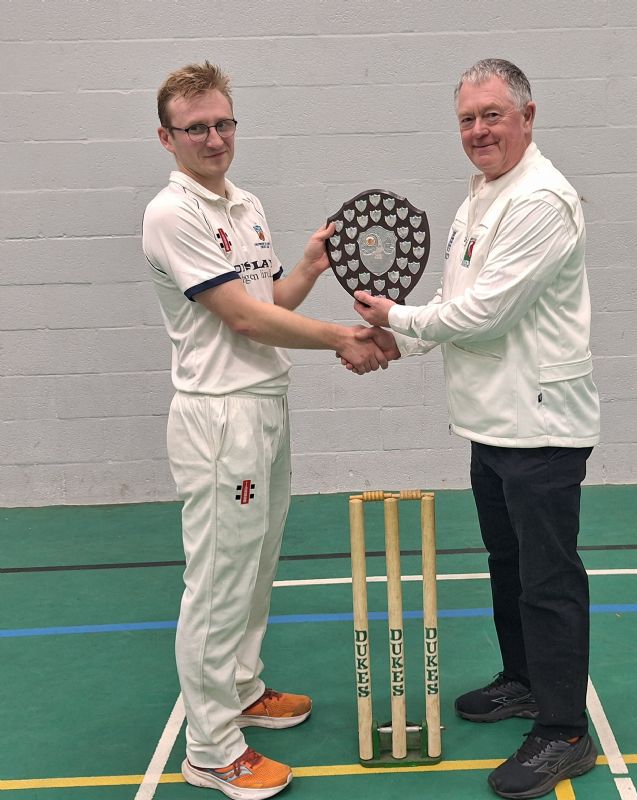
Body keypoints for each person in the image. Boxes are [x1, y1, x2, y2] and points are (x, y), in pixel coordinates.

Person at [352, 58, 601, 799]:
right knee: (508, 565)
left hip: (542, 428)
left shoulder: (540, 201)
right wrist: (402, 339)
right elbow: (456, 300)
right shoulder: (482, 197)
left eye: (492, 115)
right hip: (492, 423)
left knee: (548, 579)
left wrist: (393, 322)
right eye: (467, 118)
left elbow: (487, 313)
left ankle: (563, 732)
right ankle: (525, 683)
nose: (478, 130)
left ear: (528, 116)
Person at [142, 61, 389, 800]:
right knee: (218, 581)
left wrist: (310, 267)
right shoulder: (172, 212)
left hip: (264, 403)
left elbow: (266, 298)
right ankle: (212, 749)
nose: (214, 138)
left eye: (223, 123)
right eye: (196, 128)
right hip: (219, 417)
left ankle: (243, 692)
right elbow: (245, 319)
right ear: (167, 137)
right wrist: (342, 337)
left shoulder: (244, 204)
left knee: (254, 565)